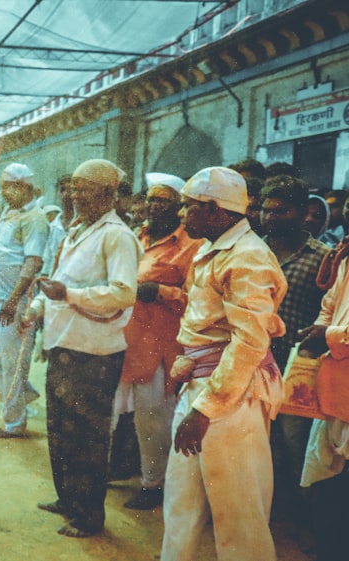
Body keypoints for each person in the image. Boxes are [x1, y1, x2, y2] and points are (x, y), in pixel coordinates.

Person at [160, 166, 287, 561]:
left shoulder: (248, 257)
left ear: (216, 210)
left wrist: (205, 409)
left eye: (189, 207)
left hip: (233, 399)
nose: (182, 215)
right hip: (205, 390)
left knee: (238, 515)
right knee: (181, 503)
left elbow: (248, 343)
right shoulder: (211, 247)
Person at [24, 158, 141, 538]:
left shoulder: (117, 236)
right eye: (73, 187)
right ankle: (69, 499)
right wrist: (39, 307)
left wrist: (69, 295)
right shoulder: (77, 229)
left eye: (84, 188)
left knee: (87, 435)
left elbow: (124, 293)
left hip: (95, 352)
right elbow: (59, 280)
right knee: (60, 429)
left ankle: (90, 515)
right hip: (64, 343)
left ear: (108, 194)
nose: (75, 194)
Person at [114, 172, 200, 510]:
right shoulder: (139, 237)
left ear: (179, 206)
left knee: (154, 418)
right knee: (130, 416)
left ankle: (156, 484)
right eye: (150, 198)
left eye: (162, 200)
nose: (153, 205)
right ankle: (132, 471)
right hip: (128, 339)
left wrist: (162, 292)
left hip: (162, 344)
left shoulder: (191, 246)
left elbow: (199, 297)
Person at [257, 174, 329, 534]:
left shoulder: (323, 260)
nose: (270, 218)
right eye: (266, 211)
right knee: (258, 441)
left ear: (303, 213)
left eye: (280, 211)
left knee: (294, 442)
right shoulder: (252, 251)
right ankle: (263, 514)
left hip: (297, 369)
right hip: (252, 363)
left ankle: (303, 522)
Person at [0, 144, 49, 439]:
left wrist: (13, 299)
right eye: (3, 188)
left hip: (12, 302)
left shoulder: (35, 219)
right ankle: (22, 393)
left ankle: (14, 423)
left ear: (23, 188)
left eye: (8, 188)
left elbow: (32, 263)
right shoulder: (8, 210)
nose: (2, 193)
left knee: (11, 362)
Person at [298, 239, 349, 561]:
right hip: (336, 389)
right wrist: (319, 330)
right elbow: (330, 306)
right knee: (327, 480)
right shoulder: (346, 258)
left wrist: (329, 335)